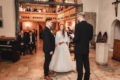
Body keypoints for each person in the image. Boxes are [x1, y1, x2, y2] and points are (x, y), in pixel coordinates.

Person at [73, 12, 93, 80]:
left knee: (79, 66)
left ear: (80, 16)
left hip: (78, 49)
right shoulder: (90, 26)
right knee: (86, 65)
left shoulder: (78, 26)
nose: (78, 18)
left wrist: (73, 37)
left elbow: (76, 39)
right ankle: (86, 78)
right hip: (86, 49)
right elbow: (90, 38)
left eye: (78, 17)